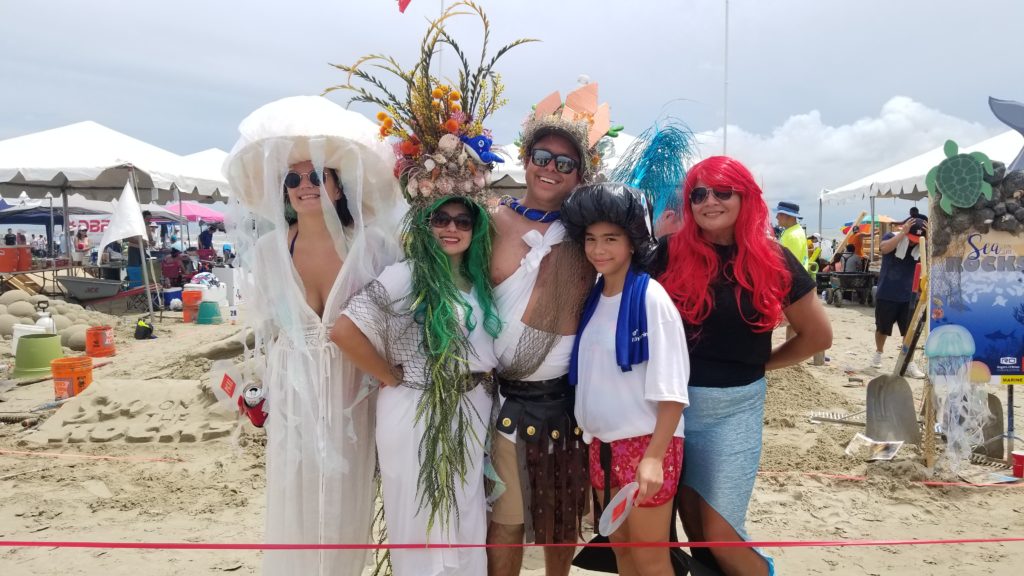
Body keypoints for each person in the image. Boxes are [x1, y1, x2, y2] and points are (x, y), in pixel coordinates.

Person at [223, 95, 405, 576]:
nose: (305, 186)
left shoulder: (375, 247)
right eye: (293, 179)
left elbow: (393, 319)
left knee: (350, 490)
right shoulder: (267, 251)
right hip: (294, 382)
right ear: (283, 191)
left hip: (355, 383)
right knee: (295, 484)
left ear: (338, 186)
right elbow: (267, 326)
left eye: (316, 175)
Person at [654, 156, 832, 576]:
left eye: (721, 192)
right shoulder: (667, 253)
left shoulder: (772, 258)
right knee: (691, 531)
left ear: (745, 196)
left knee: (721, 534)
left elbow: (817, 336)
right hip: (668, 412)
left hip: (734, 412)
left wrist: (763, 365)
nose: (708, 201)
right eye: (698, 194)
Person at [487, 82, 613, 576]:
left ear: (580, 174)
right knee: (506, 522)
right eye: (543, 155)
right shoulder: (490, 223)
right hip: (500, 399)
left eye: (565, 163)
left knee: (562, 523)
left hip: (566, 401)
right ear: (526, 156)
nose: (550, 168)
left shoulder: (589, 234)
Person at [562, 183, 690, 575]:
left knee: (651, 559)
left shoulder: (651, 298)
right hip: (601, 446)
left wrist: (653, 458)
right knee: (623, 555)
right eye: (591, 240)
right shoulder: (594, 297)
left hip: (647, 444)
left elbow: (672, 389)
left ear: (632, 242)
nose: (599, 250)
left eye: (611, 239)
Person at [872, 215, 926, 378]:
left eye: (916, 240)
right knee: (882, 328)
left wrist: (928, 238)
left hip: (910, 294)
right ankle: (878, 353)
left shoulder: (922, 246)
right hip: (887, 292)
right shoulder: (892, 237)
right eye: (911, 238)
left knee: (909, 331)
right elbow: (884, 248)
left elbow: (933, 256)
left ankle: (908, 362)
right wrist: (902, 234)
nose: (912, 242)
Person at [775, 201, 807, 269]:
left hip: (792, 278)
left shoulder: (793, 236)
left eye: (780, 214)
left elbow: (791, 266)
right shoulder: (792, 231)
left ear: (791, 217)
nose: (777, 217)